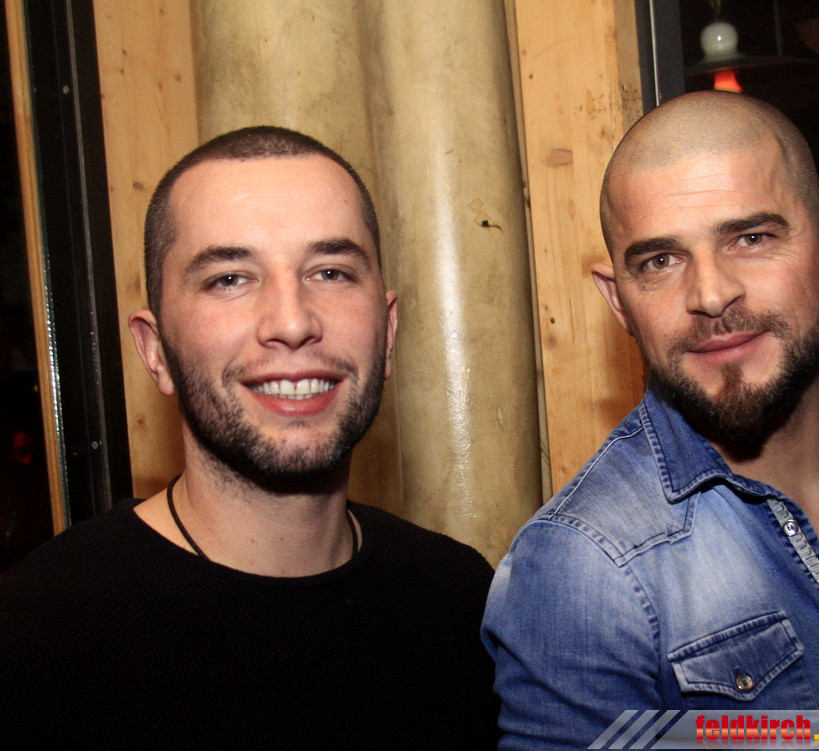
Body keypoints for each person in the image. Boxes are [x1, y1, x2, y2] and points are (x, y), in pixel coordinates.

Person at [482, 91, 819, 748]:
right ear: (619, 301)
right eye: (660, 260)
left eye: (751, 238)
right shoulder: (585, 568)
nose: (710, 294)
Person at [0, 126, 498, 749]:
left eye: (331, 272)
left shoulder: (457, 596)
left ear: (388, 332)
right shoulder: (34, 640)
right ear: (155, 352)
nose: (291, 322)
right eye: (230, 279)